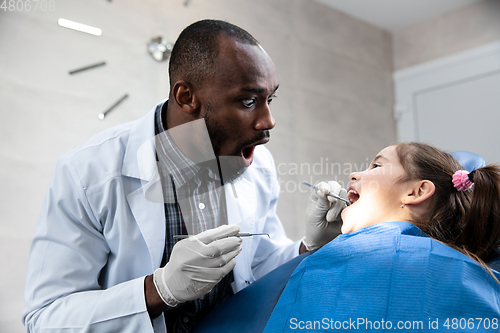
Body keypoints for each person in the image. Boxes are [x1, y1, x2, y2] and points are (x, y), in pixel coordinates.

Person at [22, 20, 347, 332]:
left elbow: (256, 267)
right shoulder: (87, 173)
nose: (268, 121)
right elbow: (46, 318)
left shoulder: (257, 164)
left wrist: (308, 246)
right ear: (186, 97)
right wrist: (159, 290)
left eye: (270, 99)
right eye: (249, 101)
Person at [192, 142, 500, 332]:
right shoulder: (465, 270)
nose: (353, 175)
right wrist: (310, 248)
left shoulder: (368, 256)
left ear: (416, 191)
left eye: (376, 165)